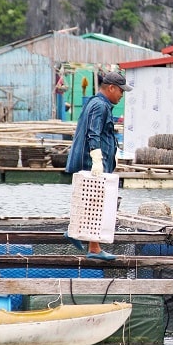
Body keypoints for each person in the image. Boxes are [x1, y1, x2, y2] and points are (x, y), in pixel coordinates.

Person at [65, 71, 132, 260]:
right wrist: (97, 160)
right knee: (97, 202)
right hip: (92, 163)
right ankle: (92, 247)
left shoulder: (98, 104)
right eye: (120, 91)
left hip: (96, 161)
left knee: (91, 202)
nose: (121, 95)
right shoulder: (100, 106)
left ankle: (81, 238)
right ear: (111, 88)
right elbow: (93, 134)